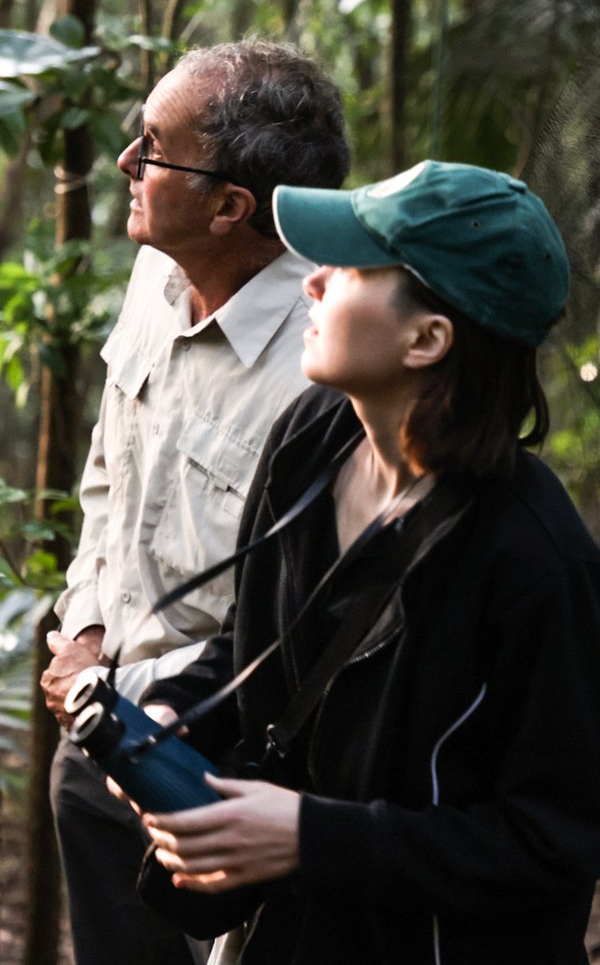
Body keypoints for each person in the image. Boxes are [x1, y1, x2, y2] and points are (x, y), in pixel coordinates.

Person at [134, 160, 600, 965]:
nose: (313, 283)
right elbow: (260, 641)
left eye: (350, 267)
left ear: (428, 338)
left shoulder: (535, 560)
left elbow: (553, 843)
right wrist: (177, 718)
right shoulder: (314, 434)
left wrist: (315, 838)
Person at [40, 38, 350, 965]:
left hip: (217, 767)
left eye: (153, 145)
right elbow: (109, 472)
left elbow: (308, 615)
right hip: (96, 727)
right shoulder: (154, 274)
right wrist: (86, 634)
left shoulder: (328, 363)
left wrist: (173, 722)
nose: (128, 163)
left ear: (230, 207)